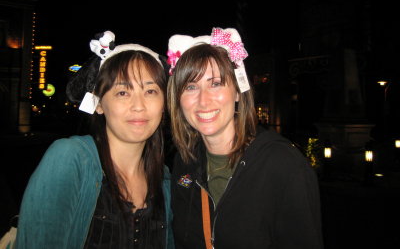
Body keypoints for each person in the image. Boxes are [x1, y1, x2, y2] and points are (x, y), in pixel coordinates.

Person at [15, 31, 174, 249]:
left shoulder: (164, 180)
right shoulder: (71, 160)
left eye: (150, 91)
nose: (139, 105)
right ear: (99, 104)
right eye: (122, 93)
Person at [166, 27, 323, 249]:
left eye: (216, 83)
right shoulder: (184, 163)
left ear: (238, 91)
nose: (203, 100)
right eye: (191, 86)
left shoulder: (283, 165)